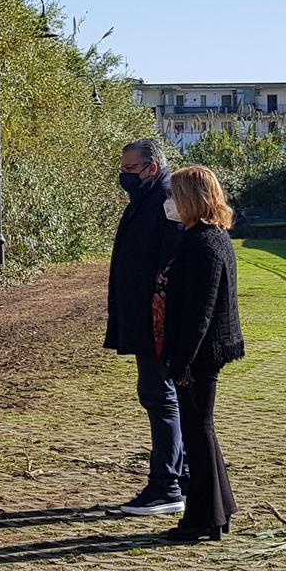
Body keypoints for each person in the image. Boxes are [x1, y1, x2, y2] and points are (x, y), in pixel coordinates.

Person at [158, 166, 244, 541]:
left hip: (199, 354)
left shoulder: (205, 243)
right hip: (200, 350)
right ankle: (218, 508)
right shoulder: (207, 237)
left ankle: (202, 519)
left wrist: (182, 362)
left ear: (190, 199)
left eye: (174, 195)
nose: (170, 203)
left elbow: (200, 311)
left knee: (198, 432)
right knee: (201, 430)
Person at [104, 139, 187, 515]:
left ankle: (167, 486)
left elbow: (174, 262)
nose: (124, 176)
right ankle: (180, 476)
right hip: (146, 319)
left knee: (160, 397)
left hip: (159, 322)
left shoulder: (167, 198)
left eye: (131, 169)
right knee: (161, 396)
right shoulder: (149, 197)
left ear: (151, 168)